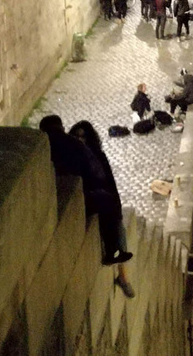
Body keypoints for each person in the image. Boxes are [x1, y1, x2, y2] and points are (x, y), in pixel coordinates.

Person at [39, 115, 130, 270]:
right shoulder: (74, 146)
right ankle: (112, 252)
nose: (80, 139)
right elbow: (98, 175)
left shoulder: (45, 146)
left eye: (83, 136)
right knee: (108, 203)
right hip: (79, 195)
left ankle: (116, 253)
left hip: (70, 193)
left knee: (110, 207)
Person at [68, 121, 135, 299]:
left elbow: (110, 182)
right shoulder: (75, 158)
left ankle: (123, 276)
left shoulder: (98, 155)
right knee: (113, 225)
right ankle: (122, 276)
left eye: (83, 136)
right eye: (76, 136)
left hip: (105, 198)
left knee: (118, 225)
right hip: (92, 201)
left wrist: (116, 203)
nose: (80, 139)